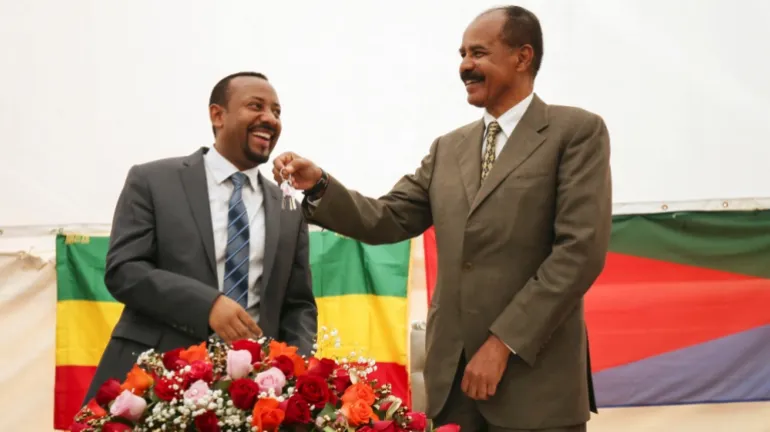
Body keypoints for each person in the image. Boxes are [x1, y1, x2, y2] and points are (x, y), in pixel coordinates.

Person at [272, 6, 611, 432]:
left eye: (479, 52)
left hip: (536, 386)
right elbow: (387, 218)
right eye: (463, 53)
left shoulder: (575, 132)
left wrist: (503, 343)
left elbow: (579, 253)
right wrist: (320, 185)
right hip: (454, 388)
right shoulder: (448, 149)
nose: (465, 65)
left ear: (523, 57)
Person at [82, 72, 317, 403]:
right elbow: (124, 270)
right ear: (217, 115)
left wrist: (295, 370)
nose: (270, 118)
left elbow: (298, 305)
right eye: (256, 106)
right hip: (153, 385)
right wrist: (207, 304)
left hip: (251, 397)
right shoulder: (153, 180)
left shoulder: (289, 206)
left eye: (277, 112)